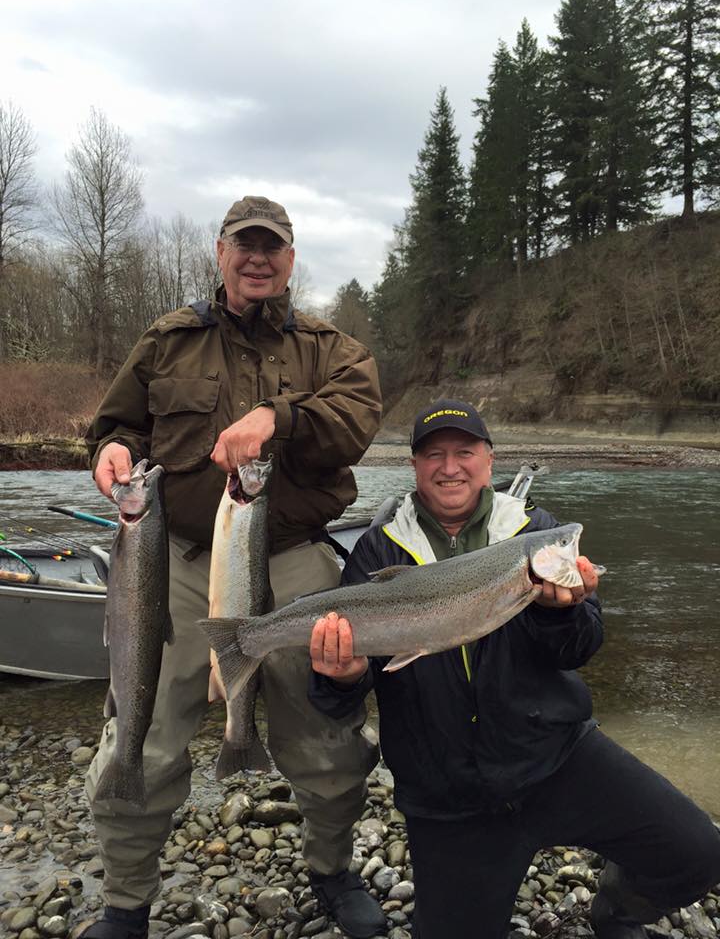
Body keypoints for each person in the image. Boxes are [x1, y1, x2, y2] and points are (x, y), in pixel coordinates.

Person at [82, 196, 387, 939]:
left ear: (290, 258)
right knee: (140, 734)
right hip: (175, 562)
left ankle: (332, 868)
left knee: (325, 734)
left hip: (296, 564)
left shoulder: (332, 350)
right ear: (220, 253)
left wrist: (277, 418)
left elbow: (355, 419)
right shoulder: (168, 339)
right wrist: (108, 453)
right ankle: (126, 902)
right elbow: (118, 423)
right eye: (244, 245)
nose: (258, 258)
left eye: (272, 247)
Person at [309, 398, 720, 939]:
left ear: (489, 460)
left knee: (698, 853)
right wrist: (339, 676)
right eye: (434, 455)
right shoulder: (374, 550)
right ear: (414, 466)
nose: (450, 466)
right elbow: (343, 697)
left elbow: (580, 649)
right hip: (446, 793)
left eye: (465, 452)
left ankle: (617, 909)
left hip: (557, 759)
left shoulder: (536, 530)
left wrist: (561, 611)